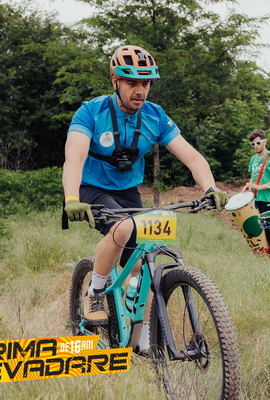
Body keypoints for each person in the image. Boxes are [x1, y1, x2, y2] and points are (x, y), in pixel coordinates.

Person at [62, 45, 228, 329]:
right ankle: (96, 292)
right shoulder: (91, 112)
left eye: (146, 83)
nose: (140, 90)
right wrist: (71, 199)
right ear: (115, 81)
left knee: (143, 266)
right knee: (123, 228)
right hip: (90, 188)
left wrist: (210, 188)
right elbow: (74, 158)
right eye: (132, 83)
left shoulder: (155, 116)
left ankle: (143, 339)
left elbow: (192, 158)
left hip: (128, 192)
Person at [242, 129, 270, 256]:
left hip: (268, 199)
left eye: (258, 143)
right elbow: (253, 177)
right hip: (255, 199)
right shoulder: (253, 159)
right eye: (253, 144)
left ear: (265, 142)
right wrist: (249, 186)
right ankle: (264, 255)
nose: (256, 146)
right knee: (258, 230)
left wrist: (260, 187)